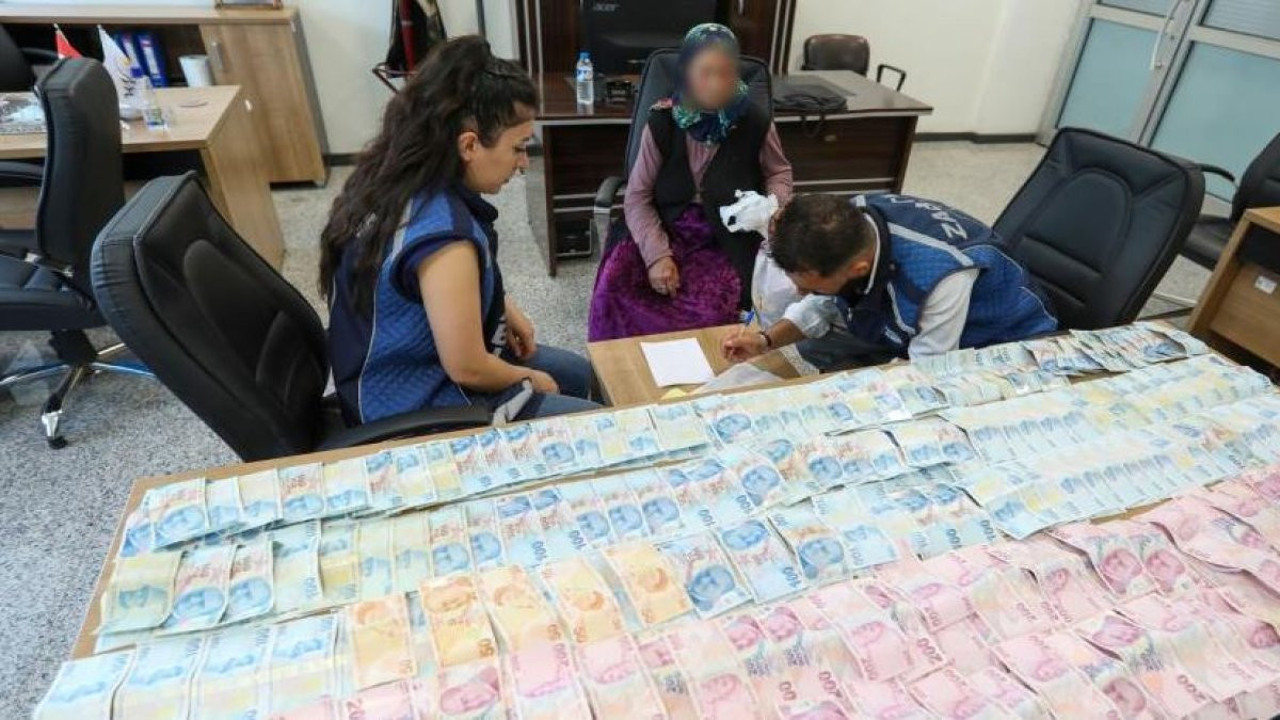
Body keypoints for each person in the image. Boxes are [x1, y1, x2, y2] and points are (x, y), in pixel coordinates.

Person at [320, 37, 601, 425]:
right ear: (469, 145)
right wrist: (530, 379)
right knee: (595, 421)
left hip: (411, 365)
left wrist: (502, 305)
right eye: (518, 147)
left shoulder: (402, 179)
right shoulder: (444, 239)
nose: (523, 163)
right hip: (417, 405)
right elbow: (467, 367)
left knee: (579, 373)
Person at [588, 23, 793, 341]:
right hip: (663, 224)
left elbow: (779, 172)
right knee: (616, 287)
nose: (716, 83)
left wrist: (773, 205)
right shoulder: (663, 121)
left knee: (710, 310)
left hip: (725, 235)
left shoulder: (754, 120)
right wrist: (657, 255)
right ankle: (620, 368)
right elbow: (638, 196)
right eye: (705, 72)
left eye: (726, 73)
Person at [723, 193, 1058, 370]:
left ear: (858, 269)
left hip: (1002, 339)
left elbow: (929, 369)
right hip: (907, 325)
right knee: (792, 359)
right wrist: (765, 340)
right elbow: (824, 302)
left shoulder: (939, 275)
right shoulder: (845, 222)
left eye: (810, 286)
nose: (799, 292)